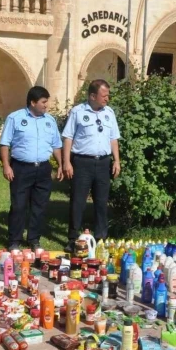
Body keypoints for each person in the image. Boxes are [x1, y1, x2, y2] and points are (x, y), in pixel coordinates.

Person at [0, 86, 63, 251]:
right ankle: (14, 240)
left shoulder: (50, 121)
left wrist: (61, 164)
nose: (46, 105)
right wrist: (6, 166)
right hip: (21, 168)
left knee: (39, 206)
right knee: (19, 205)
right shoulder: (15, 118)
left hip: (43, 169)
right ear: (33, 102)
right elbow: (5, 143)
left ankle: (34, 239)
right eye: (43, 102)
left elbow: (56, 146)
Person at [61, 79, 121, 252]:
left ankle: (100, 238)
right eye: (104, 95)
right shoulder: (78, 112)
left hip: (103, 162)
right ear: (92, 96)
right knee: (78, 201)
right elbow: (68, 137)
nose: (107, 99)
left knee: (102, 202)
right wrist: (66, 162)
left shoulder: (109, 112)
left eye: (108, 95)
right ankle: (73, 239)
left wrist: (116, 160)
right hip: (82, 162)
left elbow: (113, 138)